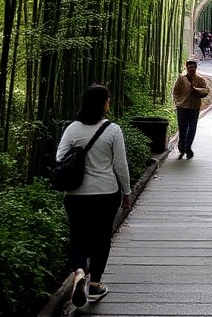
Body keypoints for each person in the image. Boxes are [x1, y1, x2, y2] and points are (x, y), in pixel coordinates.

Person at [56, 84, 131, 308]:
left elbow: (60, 158)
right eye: (108, 99)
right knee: (101, 237)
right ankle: (95, 283)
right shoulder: (113, 130)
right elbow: (120, 165)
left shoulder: (72, 129)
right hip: (106, 193)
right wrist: (126, 191)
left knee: (77, 234)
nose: (109, 103)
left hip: (76, 194)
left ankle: (79, 271)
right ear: (102, 103)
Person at [172, 58, 209, 159]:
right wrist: (178, 102)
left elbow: (205, 91)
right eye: (189, 67)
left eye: (193, 66)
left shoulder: (200, 80)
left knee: (192, 128)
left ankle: (188, 147)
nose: (191, 69)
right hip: (182, 107)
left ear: (196, 67)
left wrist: (195, 89)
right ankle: (182, 147)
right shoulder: (181, 79)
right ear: (186, 68)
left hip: (194, 107)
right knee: (182, 128)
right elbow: (176, 92)